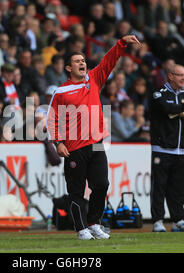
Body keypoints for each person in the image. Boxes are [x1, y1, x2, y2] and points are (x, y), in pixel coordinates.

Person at [47, 35, 141, 240]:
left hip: (97, 143)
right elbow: (52, 119)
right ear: (68, 69)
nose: (82, 63)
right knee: (77, 191)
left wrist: (121, 43)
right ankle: (81, 229)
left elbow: (108, 61)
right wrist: (58, 142)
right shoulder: (61, 91)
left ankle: (93, 222)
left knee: (102, 185)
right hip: (74, 147)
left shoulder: (94, 79)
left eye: (83, 60)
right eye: (77, 61)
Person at [149, 64, 184, 233]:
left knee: (177, 189)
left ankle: (178, 220)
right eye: (180, 75)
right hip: (162, 149)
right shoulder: (159, 93)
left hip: (180, 150)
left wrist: (181, 112)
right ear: (170, 76)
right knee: (159, 187)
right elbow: (166, 109)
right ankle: (157, 221)